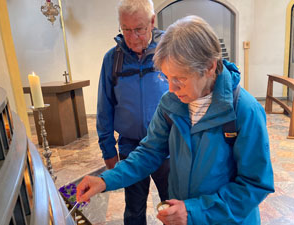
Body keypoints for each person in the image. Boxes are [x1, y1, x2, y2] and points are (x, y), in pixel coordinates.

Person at [78, 15, 274, 225]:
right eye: (166, 77)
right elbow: (149, 152)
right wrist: (105, 180)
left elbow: (254, 184)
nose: (171, 88)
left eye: (179, 79)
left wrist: (193, 212)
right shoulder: (171, 103)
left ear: (209, 67)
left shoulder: (244, 110)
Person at [95, 0, 169, 224]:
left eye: (139, 29)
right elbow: (104, 107)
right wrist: (108, 150)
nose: (132, 37)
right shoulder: (112, 59)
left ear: (152, 21)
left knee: (173, 203)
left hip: (167, 146)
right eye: (125, 29)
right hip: (130, 147)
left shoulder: (170, 50)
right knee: (134, 209)